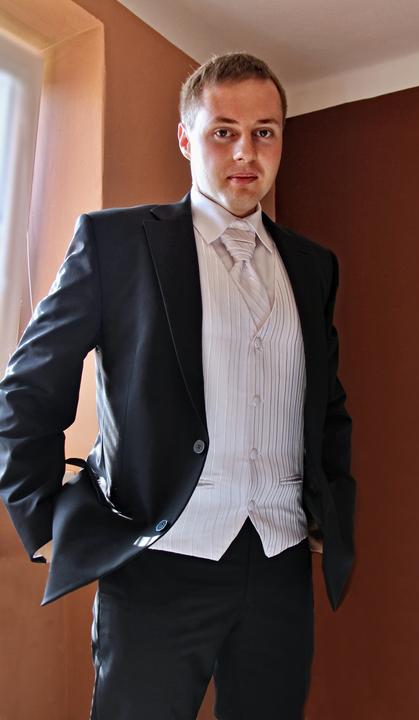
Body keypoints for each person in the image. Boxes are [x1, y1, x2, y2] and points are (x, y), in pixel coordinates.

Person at [0, 52, 355, 719]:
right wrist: (41, 517)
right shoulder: (115, 243)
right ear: (186, 139)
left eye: (265, 131)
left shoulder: (313, 267)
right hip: (156, 563)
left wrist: (329, 512)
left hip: (279, 567)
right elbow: (28, 390)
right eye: (223, 131)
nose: (246, 151)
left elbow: (328, 406)